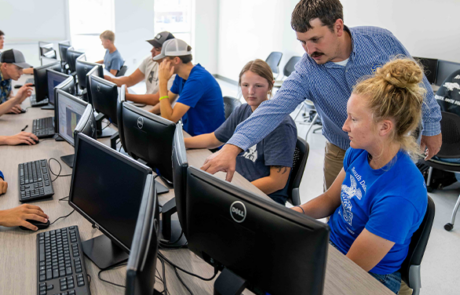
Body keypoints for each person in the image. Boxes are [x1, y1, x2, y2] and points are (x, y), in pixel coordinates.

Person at [201, 0, 442, 192]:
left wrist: (432, 126)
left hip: (390, 148)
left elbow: (417, 83)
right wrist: (232, 147)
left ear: (338, 27)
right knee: (340, 218)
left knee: (389, 218)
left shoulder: (380, 40)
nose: (309, 50)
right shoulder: (307, 70)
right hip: (342, 150)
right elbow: (273, 110)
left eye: (316, 39)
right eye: (303, 42)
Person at [292, 58, 428, 294]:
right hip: (332, 246)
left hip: (369, 275)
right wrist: (291, 215)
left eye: (353, 119)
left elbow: (351, 268)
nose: (345, 126)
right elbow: (329, 200)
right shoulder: (358, 152)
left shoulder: (400, 196)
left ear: (384, 128)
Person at [185, 59, 297, 205]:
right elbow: (215, 138)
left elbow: (277, 182)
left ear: (270, 85)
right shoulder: (243, 110)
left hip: (260, 198)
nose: (251, 92)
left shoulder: (281, 124)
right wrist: (178, 141)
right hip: (237, 182)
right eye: (245, 85)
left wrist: (230, 193)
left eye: (258, 86)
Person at [155, 38, 225, 136]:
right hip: (191, 134)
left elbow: (169, 120)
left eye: (165, 60)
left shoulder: (198, 80)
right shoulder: (181, 76)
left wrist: (163, 82)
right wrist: (145, 114)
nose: (162, 64)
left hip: (207, 144)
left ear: (176, 60)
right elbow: (166, 102)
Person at [104, 31, 176, 108]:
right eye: (153, 47)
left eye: (157, 48)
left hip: (157, 111)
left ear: (168, 52)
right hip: (145, 106)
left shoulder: (174, 71)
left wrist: (126, 96)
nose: (151, 51)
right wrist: (110, 80)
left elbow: (156, 99)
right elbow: (131, 79)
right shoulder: (150, 60)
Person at [0, 49, 39, 145]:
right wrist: (7, 139)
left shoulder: (6, 76)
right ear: (4, 65)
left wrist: (17, 100)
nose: (21, 73)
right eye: (18, 68)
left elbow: (8, 96)